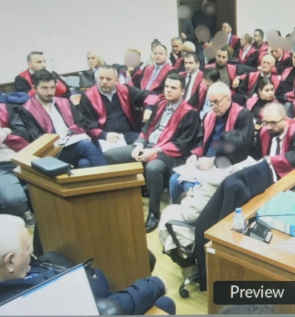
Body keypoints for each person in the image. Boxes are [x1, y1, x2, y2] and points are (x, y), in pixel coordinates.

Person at [0, 215, 175, 314]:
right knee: (165, 303)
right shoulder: (30, 302)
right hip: (103, 306)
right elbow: (107, 310)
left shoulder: (16, 272)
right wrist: (154, 285)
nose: (31, 251)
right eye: (27, 248)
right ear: (10, 261)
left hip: (89, 282)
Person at [106, 73, 199, 232]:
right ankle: (135, 192)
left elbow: (182, 144)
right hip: (149, 145)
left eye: (173, 88)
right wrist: (139, 145)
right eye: (167, 86)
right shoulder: (160, 105)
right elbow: (146, 130)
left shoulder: (190, 112)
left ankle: (154, 212)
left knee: (153, 168)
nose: (168, 90)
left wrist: (154, 151)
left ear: (182, 91)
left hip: (170, 153)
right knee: (111, 155)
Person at [18, 70, 107, 168]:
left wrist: (71, 133)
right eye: (44, 88)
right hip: (52, 152)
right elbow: (36, 137)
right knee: (85, 145)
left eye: (52, 87)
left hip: (73, 144)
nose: (50, 92)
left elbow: (82, 123)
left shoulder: (64, 102)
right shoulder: (27, 109)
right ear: (34, 88)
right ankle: (111, 175)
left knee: (84, 163)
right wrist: (62, 137)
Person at [79, 65, 154, 146]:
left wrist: (149, 108)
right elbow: (87, 125)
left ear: (116, 80)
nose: (104, 82)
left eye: (108, 79)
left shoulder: (124, 89)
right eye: (101, 78)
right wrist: (104, 135)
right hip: (104, 138)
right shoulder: (88, 96)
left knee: (149, 144)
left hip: (128, 134)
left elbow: (150, 95)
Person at [192, 81, 254, 163]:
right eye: (210, 103)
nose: (213, 107)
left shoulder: (243, 115)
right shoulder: (208, 116)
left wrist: (214, 161)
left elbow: (241, 148)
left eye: (216, 102)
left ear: (228, 99)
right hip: (204, 161)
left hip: (227, 164)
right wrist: (195, 155)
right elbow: (201, 141)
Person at [255, 102, 295, 179]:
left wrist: (270, 160)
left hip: (289, 177)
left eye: (273, 123)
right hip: (265, 174)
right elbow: (256, 154)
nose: (268, 127)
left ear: (285, 120)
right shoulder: (264, 131)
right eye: (265, 122)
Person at [0, 103, 31, 224]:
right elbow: (12, 129)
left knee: (51, 181)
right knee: (14, 200)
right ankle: (21, 214)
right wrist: (6, 130)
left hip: (19, 156)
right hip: (2, 166)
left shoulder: (4, 108)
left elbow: (22, 131)